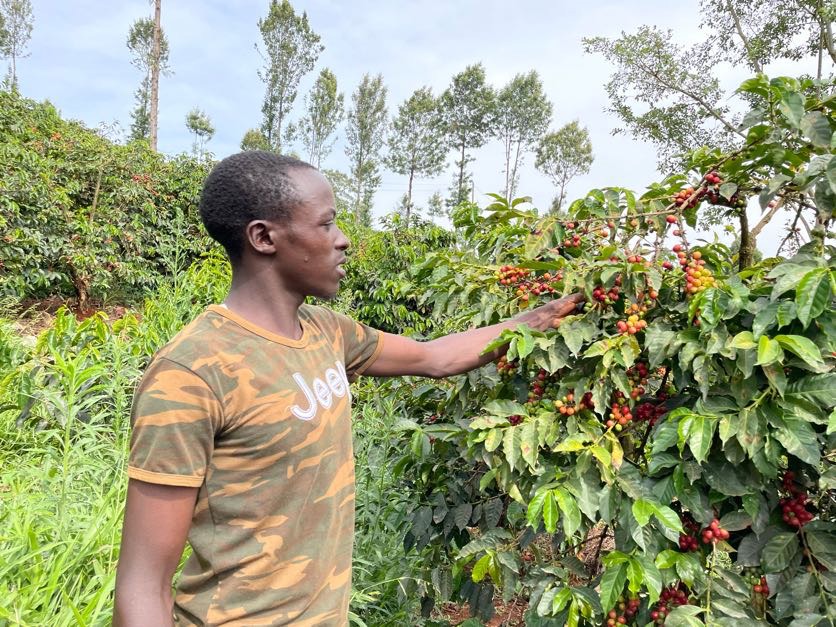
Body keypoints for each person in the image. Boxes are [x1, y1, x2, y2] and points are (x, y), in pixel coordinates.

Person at [113, 151, 583, 626]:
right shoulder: (191, 373)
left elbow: (434, 357)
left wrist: (539, 319)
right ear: (263, 238)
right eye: (326, 224)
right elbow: (143, 583)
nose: (343, 240)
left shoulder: (326, 331)